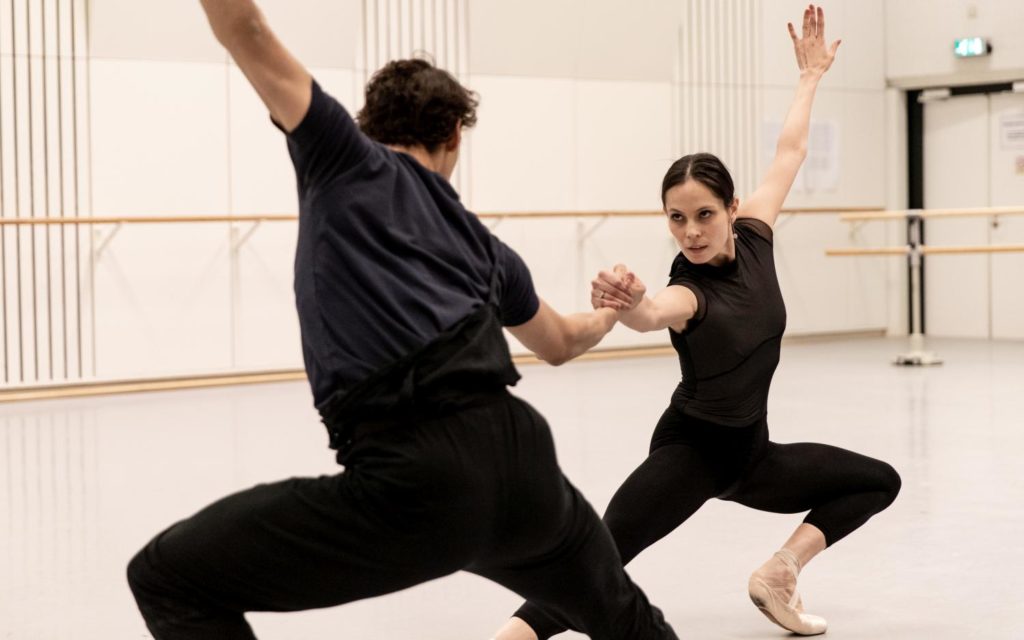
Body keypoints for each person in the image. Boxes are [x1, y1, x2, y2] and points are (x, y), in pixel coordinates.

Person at [125, 2, 678, 639]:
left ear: (364, 124)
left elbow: (243, 28)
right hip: (523, 461)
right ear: (454, 138)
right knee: (624, 617)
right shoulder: (485, 248)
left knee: (168, 576)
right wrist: (609, 314)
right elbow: (558, 342)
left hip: (418, 475)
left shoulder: (341, 157)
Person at [496, 5, 900, 639]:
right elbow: (656, 313)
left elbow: (790, 150)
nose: (691, 232)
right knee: (598, 561)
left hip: (753, 453)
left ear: (732, 208)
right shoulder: (689, 292)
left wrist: (810, 76)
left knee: (876, 482)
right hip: (692, 451)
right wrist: (628, 304)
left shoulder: (758, 232)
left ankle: (779, 573)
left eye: (704, 215)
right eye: (676, 219)